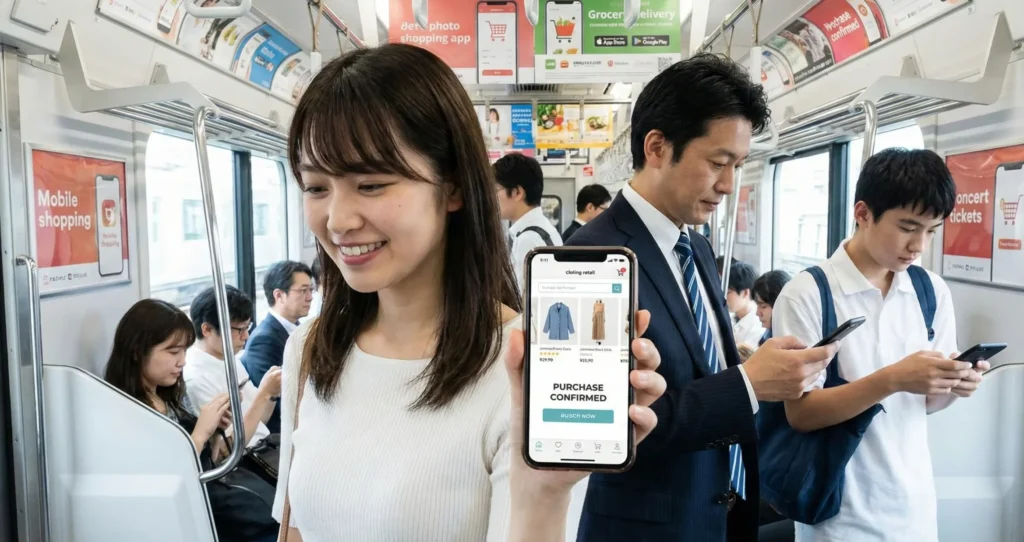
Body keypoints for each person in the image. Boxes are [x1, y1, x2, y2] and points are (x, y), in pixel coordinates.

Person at [272, 43, 666, 542]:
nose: (338, 220)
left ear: (454, 188)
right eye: (316, 187)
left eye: (370, 185)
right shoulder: (309, 349)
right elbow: (295, 529)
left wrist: (545, 493)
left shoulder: (520, 367)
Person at [565, 53, 839, 541]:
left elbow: (696, 367)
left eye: (738, 165)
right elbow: (599, 429)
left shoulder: (693, 245)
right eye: (718, 163)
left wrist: (753, 365)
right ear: (657, 147)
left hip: (722, 511)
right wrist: (749, 385)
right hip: (648, 527)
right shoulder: (593, 255)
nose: (729, 185)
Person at [772, 148, 987, 542]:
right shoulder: (808, 294)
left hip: (915, 511)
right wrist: (892, 379)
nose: (919, 244)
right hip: (840, 519)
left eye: (931, 230)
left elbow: (926, 404)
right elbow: (800, 414)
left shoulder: (929, 291)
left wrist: (956, 385)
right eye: (907, 227)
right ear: (863, 214)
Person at [104, 299, 279, 542]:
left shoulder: (171, 396)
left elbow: (210, 461)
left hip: (214, 505)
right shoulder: (127, 412)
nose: (182, 361)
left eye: (184, 351)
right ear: (137, 351)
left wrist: (216, 432)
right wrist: (200, 434)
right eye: (173, 352)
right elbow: (164, 480)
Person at [185, 285, 281, 448]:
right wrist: (263, 393)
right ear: (207, 329)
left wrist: (272, 393)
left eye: (247, 327)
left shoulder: (230, 360)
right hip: (244, 463)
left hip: (263, 449)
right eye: (239, 329)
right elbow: (227, 449)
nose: (246, 336)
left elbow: (259, 421)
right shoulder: (195, 379)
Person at [243, 260, 313, 433]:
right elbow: (275, 403)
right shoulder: (264, 340)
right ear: (279, 295)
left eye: (311, 289)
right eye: (303, 290)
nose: (310, 297)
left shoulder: (300, 329)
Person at [494, 152, 562, 291]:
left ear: (517, 193)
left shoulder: (529, 239)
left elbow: (523, 304)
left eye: (494, 190)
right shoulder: (542, 229)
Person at [727, 261, 766, 348]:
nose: (724, 297)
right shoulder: (731, 317)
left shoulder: (758, 327)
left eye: (728, 292)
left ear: (745, 293)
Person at [752, 270, 792, 345]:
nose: (757, 313)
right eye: (757, 305)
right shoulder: (769, 334)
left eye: (763, 306)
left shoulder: (791, 342)